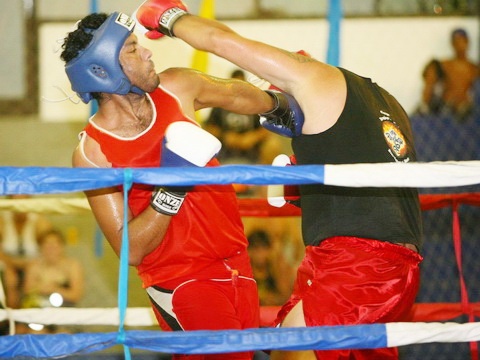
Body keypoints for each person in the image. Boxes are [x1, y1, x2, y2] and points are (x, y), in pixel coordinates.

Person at [135, 1, 424, 359]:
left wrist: (168, 17)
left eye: (278, 100)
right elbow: (377, 187)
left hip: (358, 265)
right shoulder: (384, 102)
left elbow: (219, 40)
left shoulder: (311, 78)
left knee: (291, 353)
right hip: (381, 266)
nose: (282, 116)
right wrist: (309, 188)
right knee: (283, 345)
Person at [60, 11, 296, 360]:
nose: (147, 53)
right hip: (181, 280)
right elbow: (130, 249)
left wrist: (285, 106)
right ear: (102, 70)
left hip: (236, 263)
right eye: (131, 49)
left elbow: (234, 94)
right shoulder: (93, 152)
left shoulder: (177, 87)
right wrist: (171, 189)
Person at [417, 28, 479, 121]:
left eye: (462, 41)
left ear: (467, 42)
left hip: (465, 108)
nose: (460, 45)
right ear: (452, 44)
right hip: (446, 105)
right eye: (456, 42)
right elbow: (429, 79)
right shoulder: (445, 65)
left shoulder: (474, 68)